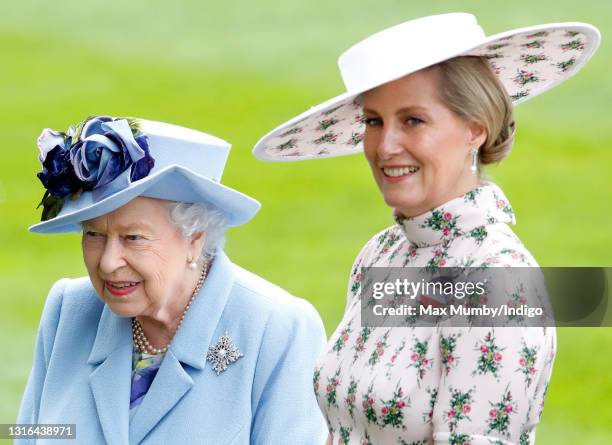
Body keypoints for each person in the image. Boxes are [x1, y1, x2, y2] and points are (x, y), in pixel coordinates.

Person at [253, 13, 600, 444]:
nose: (385, 146)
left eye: (413, 120)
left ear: (475, 128)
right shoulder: (380, 253)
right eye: (374, 121)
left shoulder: (499, 281)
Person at [18, 115, 328, 444]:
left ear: (194, 237)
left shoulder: (277, 329)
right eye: (93, 234)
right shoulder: (68, 309)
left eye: (133, 237)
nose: (108, 263)